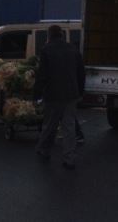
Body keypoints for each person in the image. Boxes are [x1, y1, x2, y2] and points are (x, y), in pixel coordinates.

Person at [34, 24, 84, 169]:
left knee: (50, 124)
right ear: (61, 34)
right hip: (71, 94)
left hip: (53, 94)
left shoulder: (46, 50)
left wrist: (36, 94)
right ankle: (69, 159)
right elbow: (81, 73)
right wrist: (80, 92)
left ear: (49, 35)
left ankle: (44, 150)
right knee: (69, 128)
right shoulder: (73, 49)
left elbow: (42, 75)